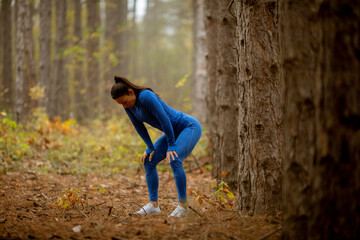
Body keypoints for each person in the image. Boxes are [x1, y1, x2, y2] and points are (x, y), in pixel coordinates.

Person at [111, 75, 202, 217]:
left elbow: (164, 118)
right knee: (148, 161)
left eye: (124, 102)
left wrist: (171, 145)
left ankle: (183, 206)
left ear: (131, 92)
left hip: (188, 127)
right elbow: (139, 127)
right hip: (171, 131)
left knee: (174, 158)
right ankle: (154, 205)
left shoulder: (146, 96)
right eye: (121, 104)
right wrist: (150, 147)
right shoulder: (129, 106)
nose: (124, 106)